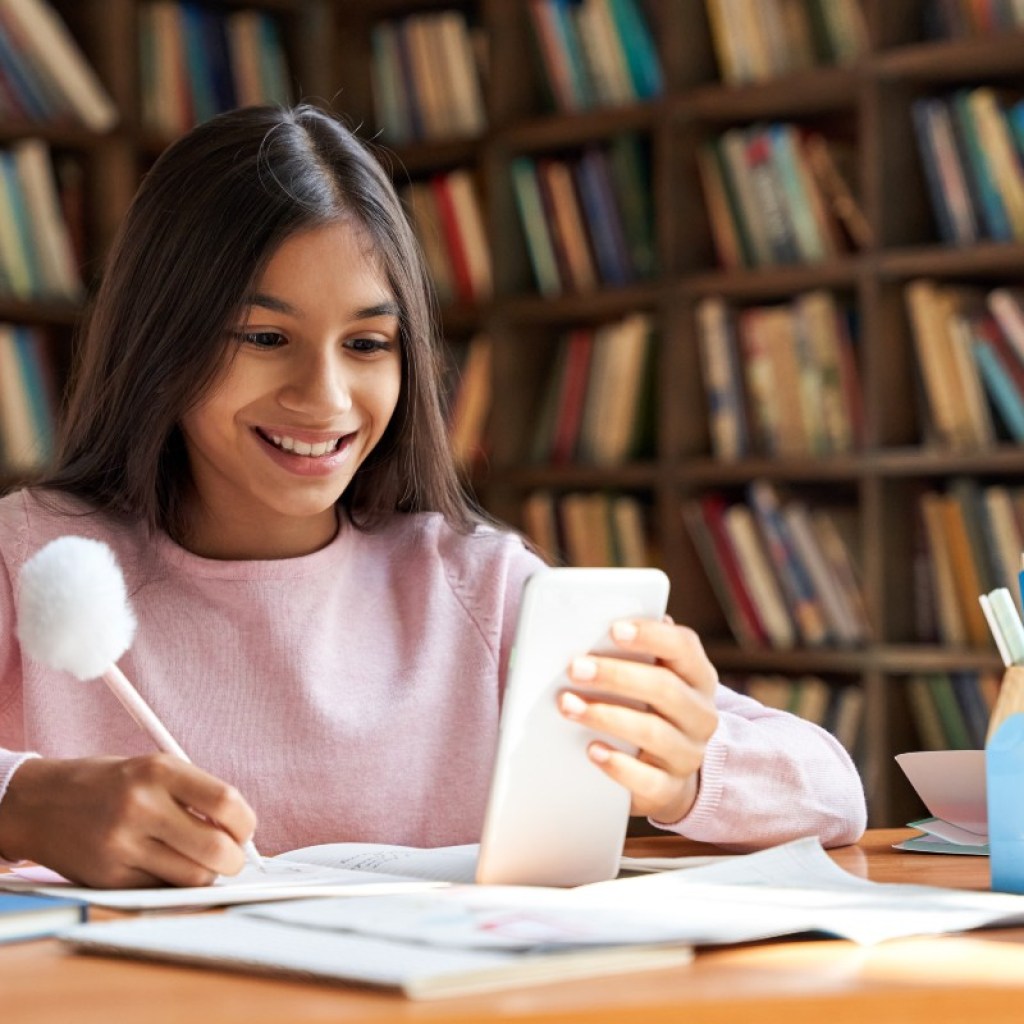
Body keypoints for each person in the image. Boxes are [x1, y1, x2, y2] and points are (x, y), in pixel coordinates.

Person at [0, 105, 865, 889]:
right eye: (266, 337)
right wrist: (23, 802)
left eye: (369, 343)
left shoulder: (477, 587)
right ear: (162, 341)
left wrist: (687, 772)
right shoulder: (28, 556)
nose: (327, 397)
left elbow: (832, 790)